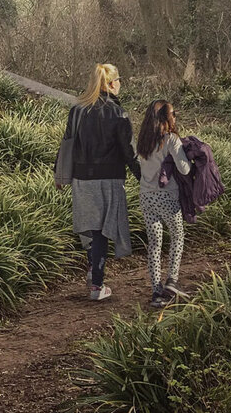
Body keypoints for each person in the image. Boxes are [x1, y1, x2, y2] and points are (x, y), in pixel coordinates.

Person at [59, 63, 139, 301]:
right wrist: (144, 178)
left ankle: (94, 271)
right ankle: (97, 287)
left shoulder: (77, 110)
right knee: (103, 230)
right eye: (119, 80)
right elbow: (129, 152)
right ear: (111, 83)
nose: (120, 84)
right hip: (110, 178)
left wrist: (60, 175)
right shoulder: (118, 112)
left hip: (81, 178)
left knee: (93, 230)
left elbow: (67, 143)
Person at [135, 100, 192, 306]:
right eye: (173, 113)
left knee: (154, 243)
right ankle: (172, 280)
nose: (175, 116)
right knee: (177, 236)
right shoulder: (171, 140)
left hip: (146, 196)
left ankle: (156, 292)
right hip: (166, 196)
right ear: (165, 118)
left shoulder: (142, 141)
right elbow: (184, 169)